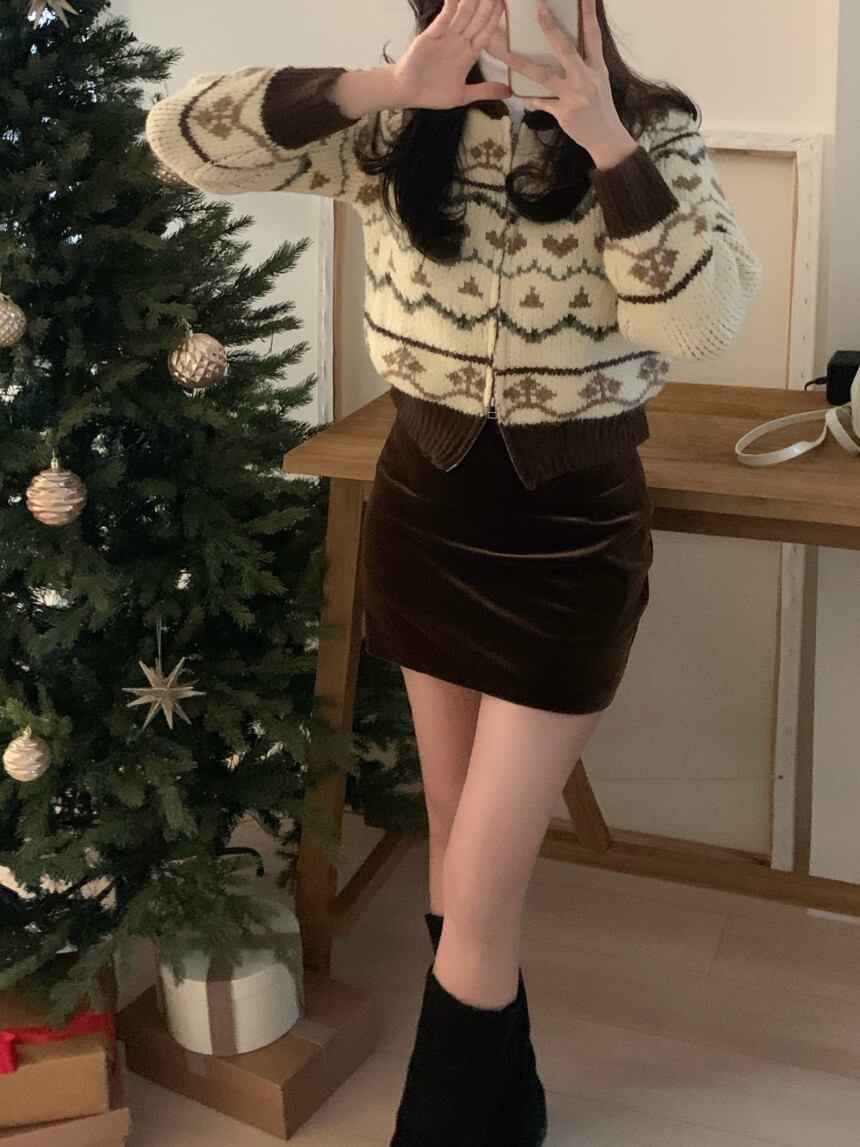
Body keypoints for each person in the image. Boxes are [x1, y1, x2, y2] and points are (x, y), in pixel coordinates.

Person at [145, 0, 763, 1141]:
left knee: (479, 882)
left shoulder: (652, 129)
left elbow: (702, 324)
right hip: (425, 507)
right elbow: (179, 137)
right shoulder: (395, 130)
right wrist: (383, 88)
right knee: (450, 826)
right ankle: (505, 1103)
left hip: (570, 532)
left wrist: (607, 143)